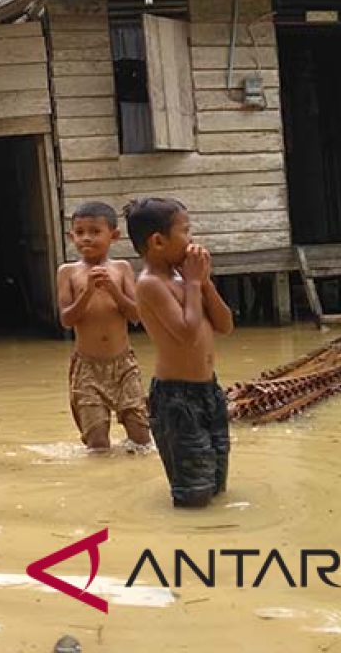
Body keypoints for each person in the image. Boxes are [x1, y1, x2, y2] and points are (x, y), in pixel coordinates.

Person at [124, 197, 234, 508]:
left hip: (208, 390)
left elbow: (225, 325)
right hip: (176, 398)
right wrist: (194, 284)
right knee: (193, 494)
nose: (192, 240)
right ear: (158, 241)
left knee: (216, 483)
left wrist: (205, 283)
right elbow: (186, 333)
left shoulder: (184, 281)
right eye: (186, 231)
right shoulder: (150, 284)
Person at [56, 201, 150, 451]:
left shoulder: (121, 269)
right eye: (80, 232)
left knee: (141, 437)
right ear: (71, 236)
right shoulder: (67, 272)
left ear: (114, 235)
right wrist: (87, 292)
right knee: (97, 443)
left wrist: (112, 289)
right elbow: (66, 320)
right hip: (87, 367)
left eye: (95, 232)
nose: (86, 238)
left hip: (123, 365)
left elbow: (135, 315)